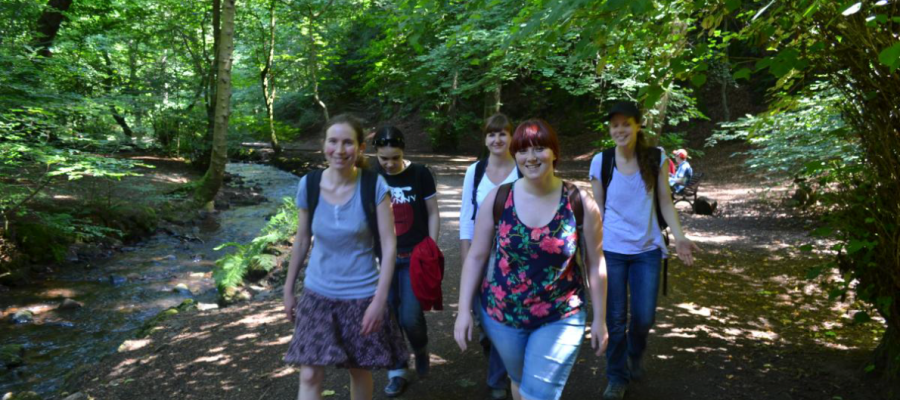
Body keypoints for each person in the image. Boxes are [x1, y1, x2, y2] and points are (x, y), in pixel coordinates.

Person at [455, 119, 609, 400]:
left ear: (554, 153)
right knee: (519, 381)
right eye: (523, 151)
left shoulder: (580, 201)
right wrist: (464, 309)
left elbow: (596, 262)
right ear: (515, 156)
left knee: (537, 394)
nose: (531, 157)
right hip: (504, 315)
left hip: (560, 314)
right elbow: (477, 255)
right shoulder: (498, 198)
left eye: (539, 149)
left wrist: (600, 319)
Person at [283, 114, 407, 400]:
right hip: (317, 293)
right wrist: (288, 289)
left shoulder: (373, 186)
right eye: (333, 142)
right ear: (323, 145)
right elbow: (302, 240)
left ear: (361, 147)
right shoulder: (309, 185)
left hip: (361, 296)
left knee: (358, 369)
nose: (340, 150)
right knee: (310, 373)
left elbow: (389, 246)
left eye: (348, 143)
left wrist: (379, 301)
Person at [588, 101, 699, 400]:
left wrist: (679, 237)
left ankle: (635, 353)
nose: (620, 130)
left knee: (644, 316)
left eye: (626, 124)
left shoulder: (655, 157)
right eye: (615, 125)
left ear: (639, 125)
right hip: (611, 248)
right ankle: (616, 377)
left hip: (647, 248)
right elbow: (598, 210)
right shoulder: (601, 161)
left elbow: (665, 201)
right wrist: (591, 250)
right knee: (615, 319)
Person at [370, 126, 442, 397]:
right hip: (382, 258)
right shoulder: (369, 175)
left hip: (414, 257)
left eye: (395, 158)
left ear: (404, 152)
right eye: (383, 158)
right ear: (376, 153)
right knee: (388, 316)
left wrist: (431, 247)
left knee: (410, 316)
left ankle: (420, 348)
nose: (389, 164)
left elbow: (433, 212)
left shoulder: (420, 174)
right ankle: (397, 370)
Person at [459, 113, 520, 400]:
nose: (497, 140)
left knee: (501, 315)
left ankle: (497, 382)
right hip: (480, 253)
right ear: (485, 139)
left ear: (511, 137)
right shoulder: (475, 171)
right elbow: (465, 219)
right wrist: (466, 258)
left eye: (502, 134)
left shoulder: (522, 169)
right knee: (484, 318)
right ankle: (495, 348)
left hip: (513, 257)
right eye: (491, 134)